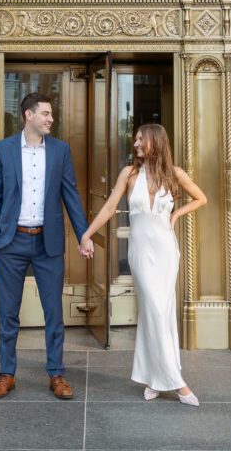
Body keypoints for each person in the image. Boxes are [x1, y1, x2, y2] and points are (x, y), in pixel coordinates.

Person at [79, 123, 206, 405]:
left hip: (165, 252)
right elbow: (110, 207)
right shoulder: (129, 173)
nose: (135, 144)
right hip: (141, 253)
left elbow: (201, 198)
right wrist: (87, 234)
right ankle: (177, 383)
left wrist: (175, 216)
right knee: (154, 310)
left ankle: (154, 378)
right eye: (135, 139)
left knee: (159, 312)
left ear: (155, 142)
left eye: (140, 139)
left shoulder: (175, 174)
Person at [0, 92, 92, 400]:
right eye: (45, 114)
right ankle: (7, 374)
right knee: (8, 312)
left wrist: (84, 235)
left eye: (51, 114)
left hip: (48, 242)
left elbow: (70, 195)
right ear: (28, 115)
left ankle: (56, 374)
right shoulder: (3, 149)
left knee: (53, 312)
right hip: (10, 241)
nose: (51, 119)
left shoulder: (60, 151)